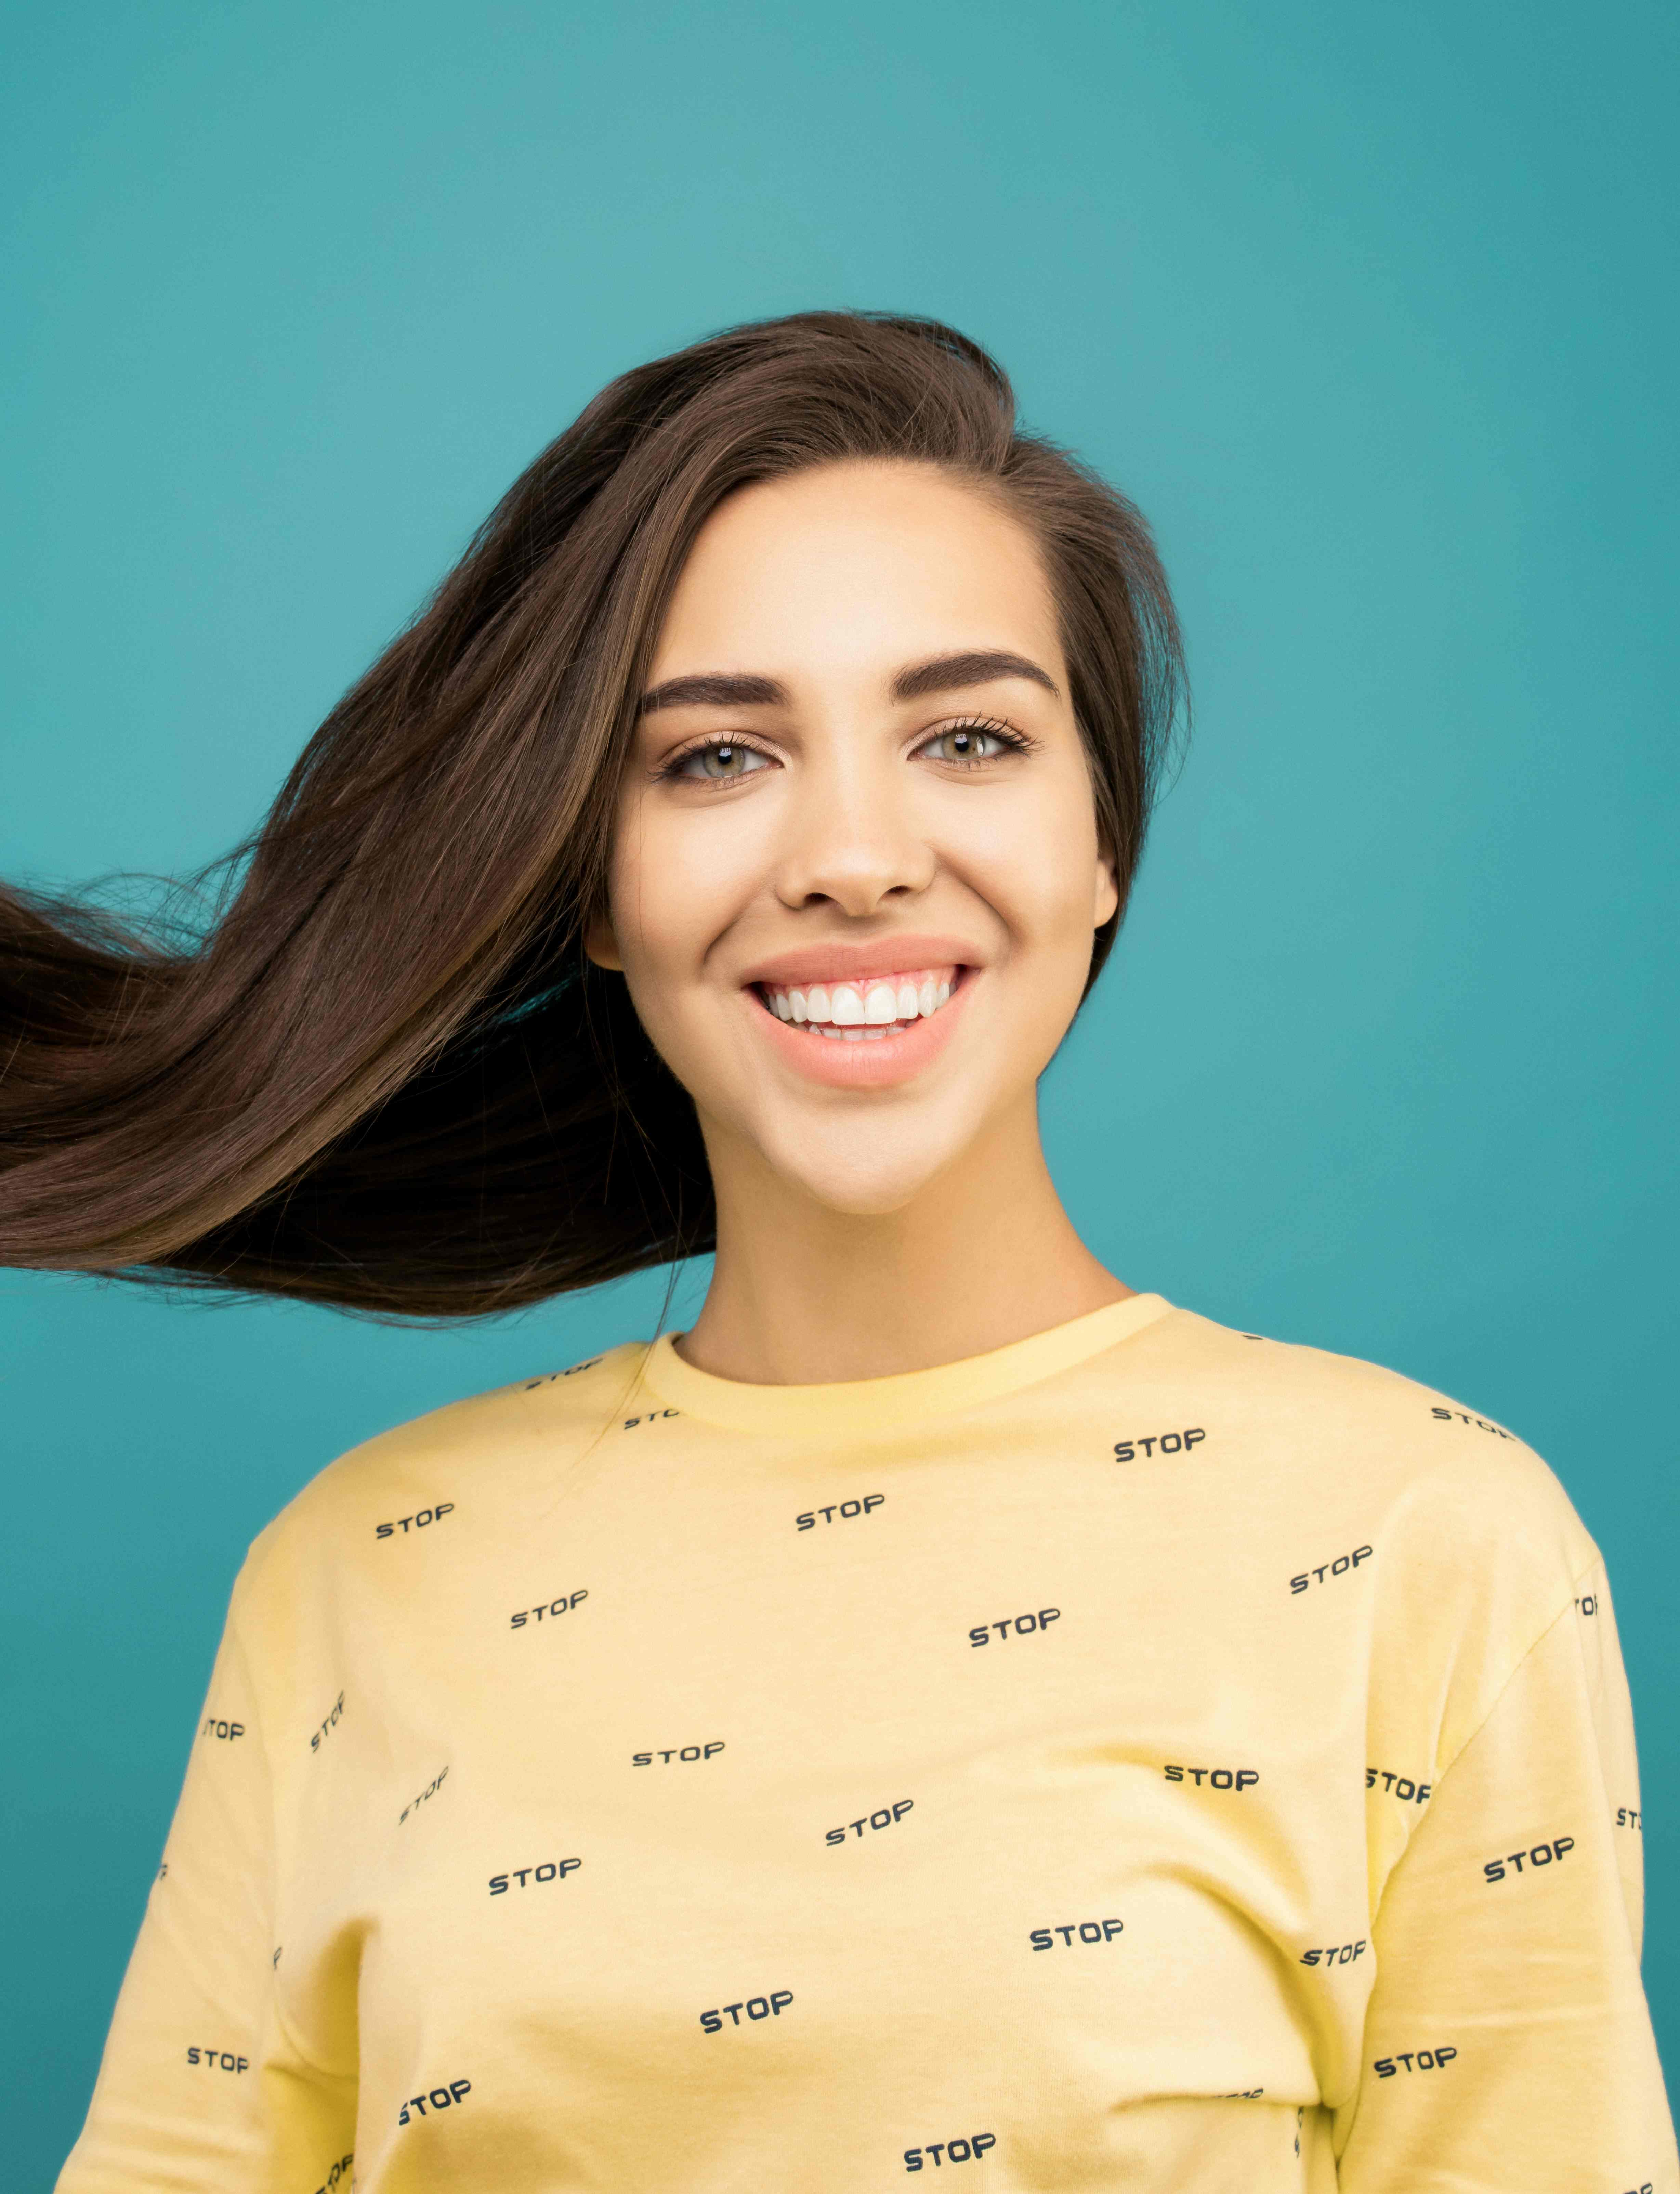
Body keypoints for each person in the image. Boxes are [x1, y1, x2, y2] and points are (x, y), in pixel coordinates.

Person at [8, 311, 1671, 2193]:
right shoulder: (358, 1572)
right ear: (600, 889)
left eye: (968, 738)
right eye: (718, 756)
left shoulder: (1427, 1543)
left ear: (1102, 843)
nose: (854, 857)